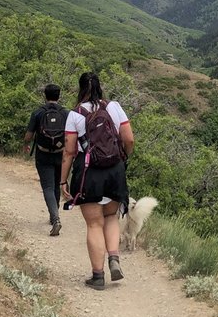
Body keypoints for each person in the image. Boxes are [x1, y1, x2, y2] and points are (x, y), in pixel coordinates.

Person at [60, 72, 135, 290]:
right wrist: (123, 157)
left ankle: (98, 276)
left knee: (94, 223)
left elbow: (69, 151)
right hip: (115, 170)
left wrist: (63, 181)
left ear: (80, 88)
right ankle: (114, 258)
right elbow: (129, 139)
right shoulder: (114, 107)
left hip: (88, 172)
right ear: (100, 87)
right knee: (111, 215)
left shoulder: (75, 114)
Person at [23, 83, 68, 236]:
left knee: (48, 187)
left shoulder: (38, 113)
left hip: (43, 154)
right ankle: (54, 216)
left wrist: (26, 145)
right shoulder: (66, 113)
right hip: (61, 154)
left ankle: (55, 219)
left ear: (45, 96)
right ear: (59, 96)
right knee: (56, 185)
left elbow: (28, 135)